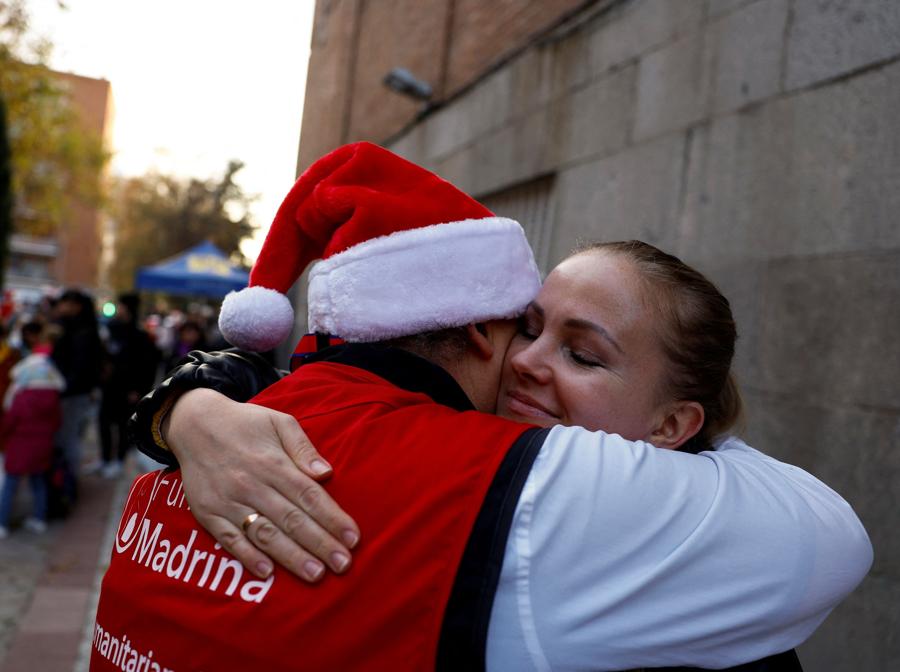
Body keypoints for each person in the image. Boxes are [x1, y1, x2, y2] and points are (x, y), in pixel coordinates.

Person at [94, 143, 870, 671]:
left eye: (583, 354)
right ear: (477, 324)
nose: (526, 362)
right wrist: (194, 406)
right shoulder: (475, 476)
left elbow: (831, 536)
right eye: (527, 326)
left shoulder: (561, 501)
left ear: (674, 425)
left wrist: (188, 405)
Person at [0, 322, 64, 538]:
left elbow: (9, 422)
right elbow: (57, 422)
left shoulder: (20, 397)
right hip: (42, 445)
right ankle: (39, 519)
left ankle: (2, 523)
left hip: (19, 446)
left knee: (10, 485)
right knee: (39, 482)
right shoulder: (53, 397)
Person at [93, 293, 160, 479]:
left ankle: (119, 461)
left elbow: (148, 366)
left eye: (121, 305)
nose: (118, 309)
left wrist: (139, 390)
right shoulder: (112, 330)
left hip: (128, 391)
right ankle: (105, 459)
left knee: (123, 426)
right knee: (103, 422)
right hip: (109, 387)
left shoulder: (140, 336)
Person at [51, 289, 103, 499]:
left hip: (72, 394)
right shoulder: (72, 327)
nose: (61, 307)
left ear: (76, 306)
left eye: (65, 303)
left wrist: (63, 389)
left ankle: (68, 485)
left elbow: (81, 368)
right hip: (72, 392)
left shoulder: (82, 332)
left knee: (68, 439)